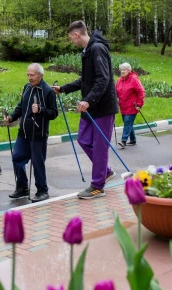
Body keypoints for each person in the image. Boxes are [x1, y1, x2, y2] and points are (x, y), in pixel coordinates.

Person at [51, 20, 118, 200]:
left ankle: (97, 186)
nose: (71, 41)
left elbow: (103, 79)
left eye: (71, 38)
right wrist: (64, 88)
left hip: (102, 107)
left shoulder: (97, 49)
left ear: (76, 34)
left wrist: (88, 100)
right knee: (83, 139)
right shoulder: (87, 51)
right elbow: (86, 80)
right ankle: (106, 171)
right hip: (91, 107)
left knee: (99, 147)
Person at [4, 63, 58, 202]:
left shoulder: (47, 91)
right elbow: (21, 107)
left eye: (32, 75)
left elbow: (53, 113)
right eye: (28, 74)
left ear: (41, 75)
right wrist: (11, 117)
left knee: (37, 163)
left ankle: (42, 190)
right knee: (17, 158)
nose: (29, 77)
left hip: (38, 133)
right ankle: (22, 187)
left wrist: (40, 110)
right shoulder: (27, 87)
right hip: (24, 132)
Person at [115, 62, 145, 148]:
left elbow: (141, 91)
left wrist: (139, 104)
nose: (122, 71)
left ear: (129, 70)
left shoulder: (134, 79)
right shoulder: (119, 80)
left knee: (127, 122)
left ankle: (123, 140)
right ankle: (133, 140)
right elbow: (116, 92)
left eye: (124, 70)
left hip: (132, 106)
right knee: (128, 123)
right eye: (121, 70)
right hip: (123, 106)